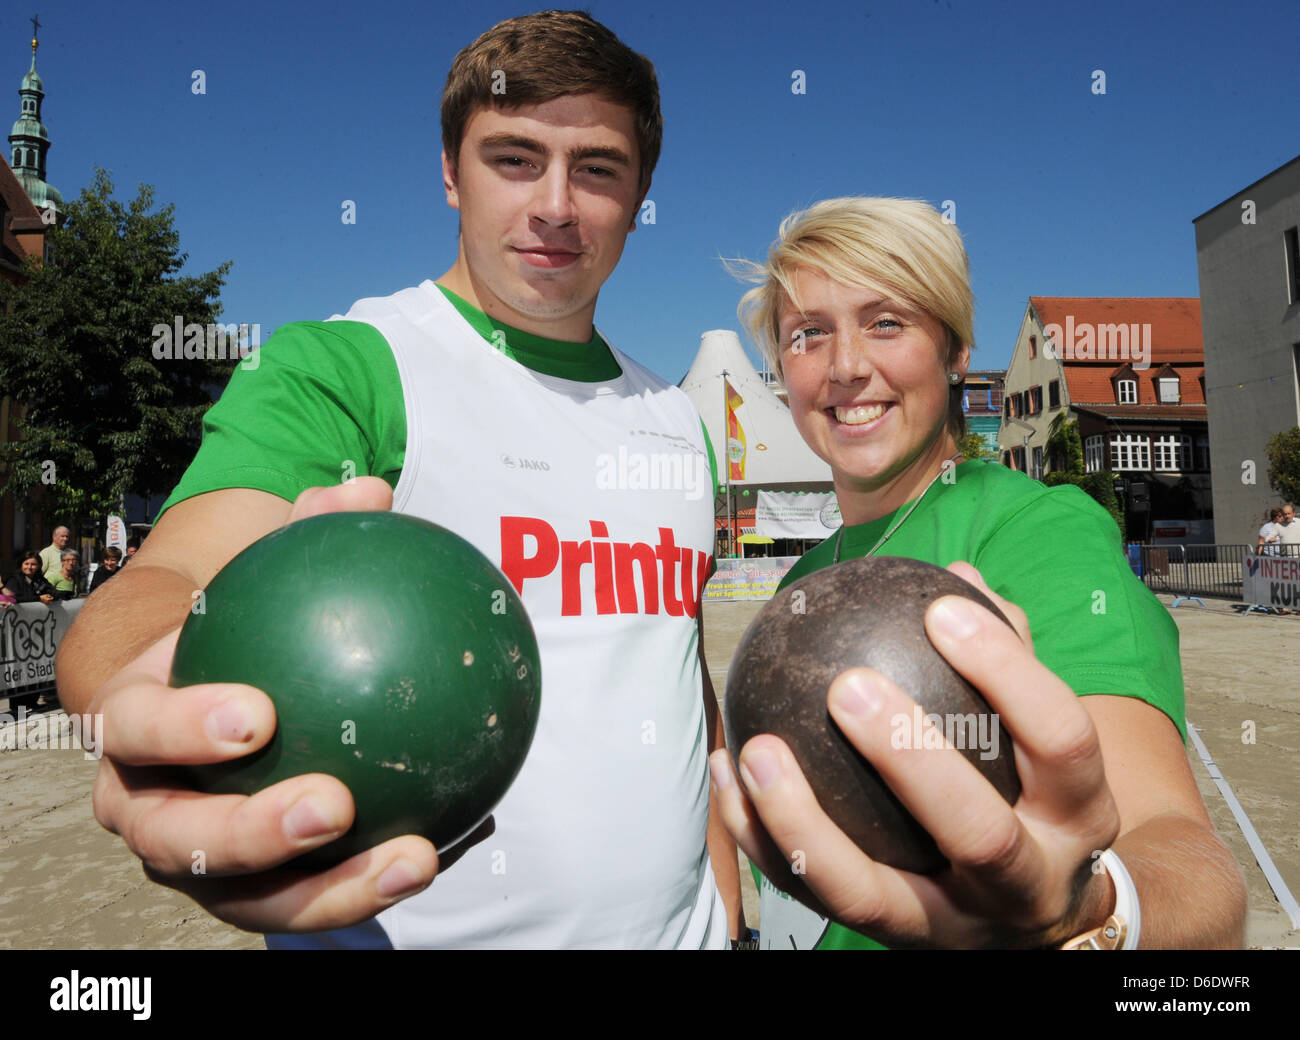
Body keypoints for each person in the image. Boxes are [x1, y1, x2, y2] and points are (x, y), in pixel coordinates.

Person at [56, 10, 741, 950]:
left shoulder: (676, 421)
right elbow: (167, 583)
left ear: (640, 192)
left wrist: (733, 919)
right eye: (513, 158)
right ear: (451, 175)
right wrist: (147, 697)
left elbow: (675, 673)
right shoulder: (347, 368)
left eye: (597, 167)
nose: (555, 203)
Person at [711, 196, 1246, 949]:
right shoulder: (811, 574)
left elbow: (1190, 866)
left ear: (957, 350)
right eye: (809, 335)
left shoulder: (1037, 530)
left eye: (887, 322)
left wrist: (1087, 913)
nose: (847, 367)